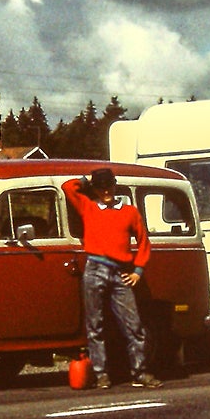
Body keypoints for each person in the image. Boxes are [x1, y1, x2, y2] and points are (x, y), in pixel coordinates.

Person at [62, 167, 162, 389]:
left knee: (133, 325)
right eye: (100, 186)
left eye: (108, 185)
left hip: (120, 272)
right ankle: (101, 374)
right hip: (94, 269)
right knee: (95, 325)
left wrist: (137, 271)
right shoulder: (88, 207)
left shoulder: (129, 212)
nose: (105, 191)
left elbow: (144, 243)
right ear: (95, 189)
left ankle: (140, 372)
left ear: (115, 185)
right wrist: (87, 179)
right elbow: (68, 187)